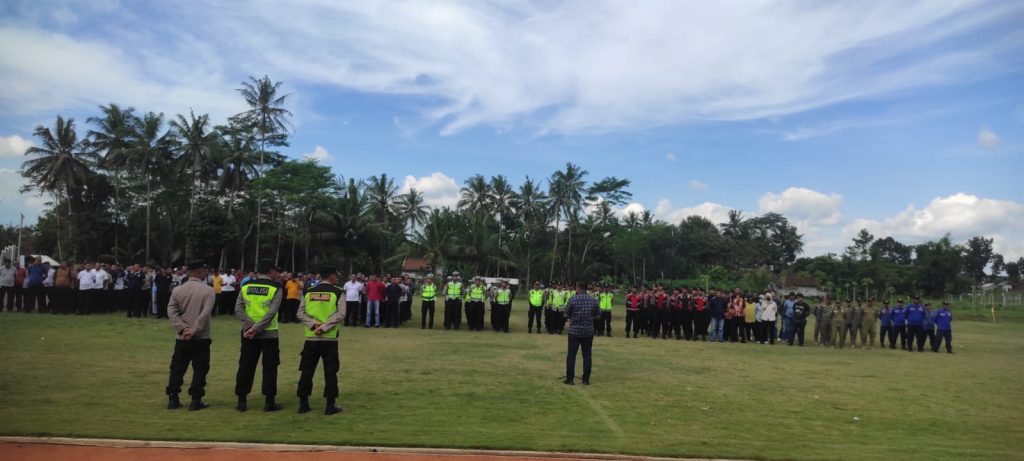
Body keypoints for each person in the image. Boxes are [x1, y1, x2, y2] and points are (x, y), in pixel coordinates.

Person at [165, 260, 215, 411]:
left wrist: (182, 328)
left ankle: (173, 398)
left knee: (177, 368)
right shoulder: (208, 290)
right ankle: (196, 399)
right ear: (199, 271)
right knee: (200, 368)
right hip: (200, 337)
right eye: (205, 270)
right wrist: (194, 330)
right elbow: (205, 314)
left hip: (182, 338)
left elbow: (172, 312)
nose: (206, 273)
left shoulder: (178, 290)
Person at [233, 261, 283, 412]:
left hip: (248, 333)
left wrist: (251, 326)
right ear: (271, 271)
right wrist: (258, 327)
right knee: (270, 367)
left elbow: (238, 308)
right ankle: (269, 402)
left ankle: (241, 401)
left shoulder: (246, 286)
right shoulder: (276, 288)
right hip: (269, 333)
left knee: (245, 365)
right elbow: (272, 311)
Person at [296, 266, 345, 415]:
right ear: (330, 276)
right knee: (330, 372)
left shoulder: (309, 292)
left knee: (306, 371)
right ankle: (330, 405)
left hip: (311, 337)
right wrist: (324, 327)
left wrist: (313, 325)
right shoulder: (338, 292)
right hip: (329, 338)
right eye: (335, 275)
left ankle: (303, 404)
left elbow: (300, 313)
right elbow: (341, 314)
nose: (336, 278)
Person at [564, 283, 601, 386]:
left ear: (578, 288)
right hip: (588, 332)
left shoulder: (573, 299)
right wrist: (590, 318)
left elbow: (565, 314)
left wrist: (572, 317)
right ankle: (585, 380)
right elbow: (598, 316)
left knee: (571, 355)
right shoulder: (593, 300)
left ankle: (570, 379)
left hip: (574, 331)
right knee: (587, 356)